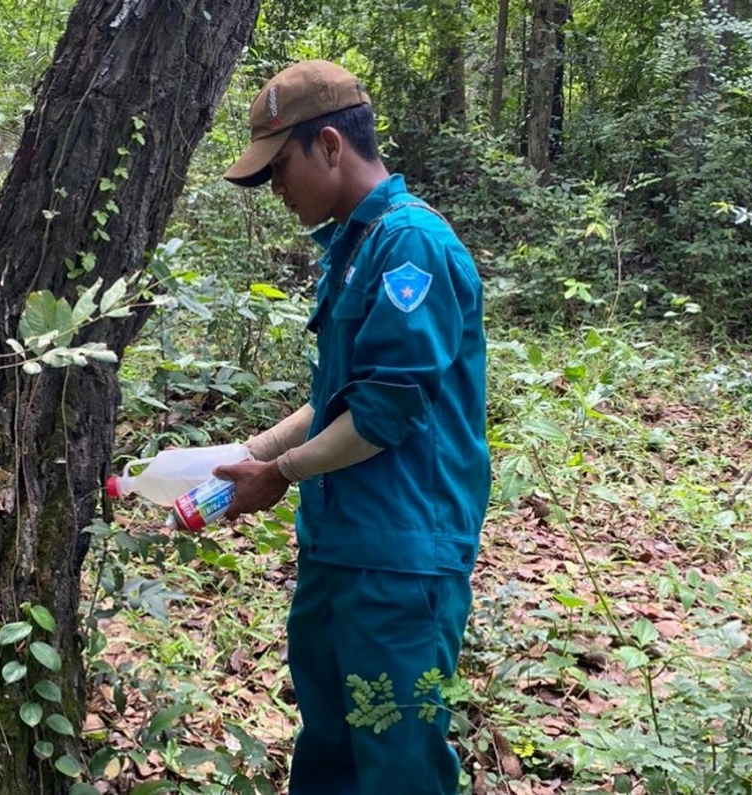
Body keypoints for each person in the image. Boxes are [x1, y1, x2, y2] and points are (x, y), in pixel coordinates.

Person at [212, 60, 491, 794]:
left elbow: (384, 410)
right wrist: (247, 454)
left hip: (401, 558)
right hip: (339, 546)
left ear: (330, 146)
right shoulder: (354, 247)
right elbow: (339, 395)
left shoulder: (412, 246)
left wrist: (280, 474)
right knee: (330, 749)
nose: (275, 189)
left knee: (398, 762)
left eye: (279, 169)